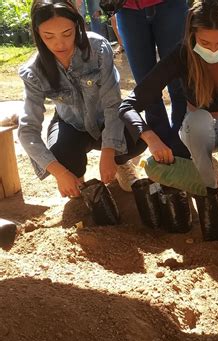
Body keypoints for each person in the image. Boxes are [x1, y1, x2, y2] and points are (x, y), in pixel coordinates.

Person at [119, 0, 218, 228]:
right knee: (198, 121)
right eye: (205, 42)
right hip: (198, 128)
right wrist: (150, 137)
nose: (213, 50)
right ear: (192, 34)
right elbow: (128, 105)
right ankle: (208, 182)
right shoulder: (183, 54)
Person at [18, 0, 145, 198]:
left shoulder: (98, 48)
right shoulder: (33, 71)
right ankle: (77, 178)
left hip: (105, 120)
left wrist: (109, 152)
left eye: (67, 33)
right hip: (71, 124)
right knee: (61, 154)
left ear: (77, 25)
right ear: (37, 33)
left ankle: (122, 163)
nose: (59, 44)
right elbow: (27, 131)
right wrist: (61, 173)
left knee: (137, 137)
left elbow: (113, 103)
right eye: (48, 36)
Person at [115, 0, 190, 159]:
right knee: (146, 89)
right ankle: (162, 153)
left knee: (180, 84)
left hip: (170, 6)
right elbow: (143, 94)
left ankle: (183, 150)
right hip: (127, 9)